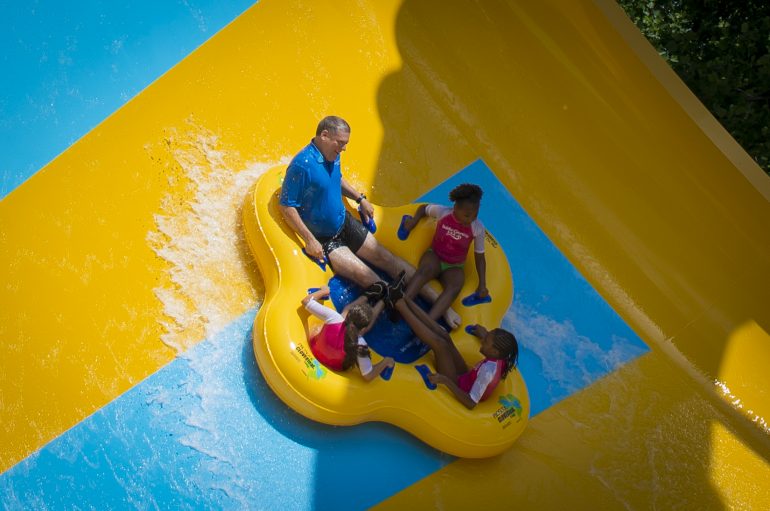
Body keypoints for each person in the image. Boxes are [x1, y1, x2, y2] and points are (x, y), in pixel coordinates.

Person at [279, 115, 462, 329]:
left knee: (388, 259)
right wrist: (310, 240)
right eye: (341, 143)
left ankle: (443, 307)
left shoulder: (332, 153)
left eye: (345, 144)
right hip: (325, 239)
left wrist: (360, 198)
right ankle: (426, 324)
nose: (343, 149)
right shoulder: (302, 165)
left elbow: (336, 178)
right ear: (324, 135)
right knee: (374, 281)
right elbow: (286, 206)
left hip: (343, 222)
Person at [385, 288, 518, 409]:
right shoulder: (500, 356)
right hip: (466, 378)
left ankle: (399, 304)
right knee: (444, 335)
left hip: (458, 386)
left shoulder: (487, 372)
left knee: (440, 345)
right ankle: (404, 297)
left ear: (494, 351)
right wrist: (483, 334)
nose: (483, 341)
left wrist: (445, 381)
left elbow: (471, 402)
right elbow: (498, 344)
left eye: (486, 341)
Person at [399, 183, 487, 324]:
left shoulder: (478, 228)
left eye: (475, 214)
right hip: (435, 255)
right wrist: (413, 222)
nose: (471, 219)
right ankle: (402, 303)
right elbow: (423, 208)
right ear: (455, 208)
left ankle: (427, 322)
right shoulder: (443, 212)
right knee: (425, 270)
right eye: (467, 215)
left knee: (456, 284)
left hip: (454, 266)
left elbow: (480, 256)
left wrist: (482, 284)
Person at [301, 286, 395, 381]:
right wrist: (386, 361)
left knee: (345, 310)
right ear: (363, 328)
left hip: (315, 350)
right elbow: (368, 376)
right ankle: (384, 300)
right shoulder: (360, 344)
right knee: (359, 329)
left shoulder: (334, 317)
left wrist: (324, 291)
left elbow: (306, 301)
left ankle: (368, 295)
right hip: (336, 367)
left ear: (348, 316)